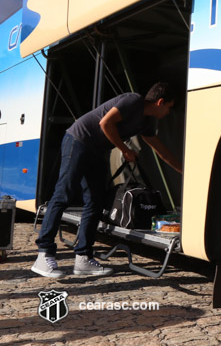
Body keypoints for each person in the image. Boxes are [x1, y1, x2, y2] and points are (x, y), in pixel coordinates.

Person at [32, 82, 182, 278]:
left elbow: (162, 152)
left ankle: (83, 258)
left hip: (96, 151)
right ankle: (43, 254)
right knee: (63, 194)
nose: (168, 113)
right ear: (160, 102)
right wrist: (125, 150)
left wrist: (185, 172)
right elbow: (105, 123)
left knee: (95, 202)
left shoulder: (146, 123)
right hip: (78, 140)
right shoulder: (133, 100)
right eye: (169, 107)